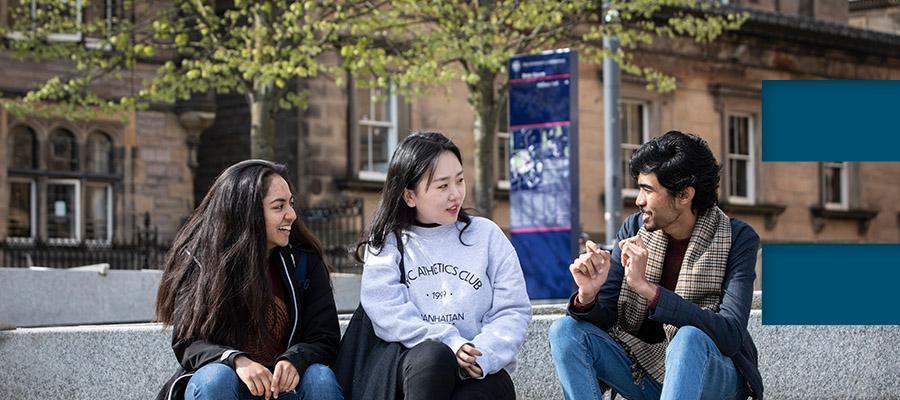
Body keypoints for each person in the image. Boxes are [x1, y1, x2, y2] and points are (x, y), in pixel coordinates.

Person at [548, 131, 763, 400]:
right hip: (645, 371)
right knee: (565, 331)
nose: (639, 200)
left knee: (687, 339)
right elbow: (606, 319)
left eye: (648, 190)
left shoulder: (738, 238)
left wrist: (649, 290)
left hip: (717, 379)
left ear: (684, 195)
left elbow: (730, 334)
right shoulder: (634, 229)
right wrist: (589, 295)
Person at [349, 131, 532, 400]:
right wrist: (450, 342)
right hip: (413, 373)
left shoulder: (487, 236)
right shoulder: (388, 242)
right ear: (410, 196)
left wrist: (480, 354)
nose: (455, 194)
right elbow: (386, 311)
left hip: (480, 371)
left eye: (459, 180)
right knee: (434, 358)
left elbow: (512, 310)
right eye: (442, 186)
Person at [155, 160, 343, 400]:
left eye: (291, 204)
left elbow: (325, 337)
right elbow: (188, 342)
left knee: (319, 378)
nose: (292, 215)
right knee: (216, 379)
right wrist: (236, 361)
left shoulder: (304, 262)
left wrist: (295, 359)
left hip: (282, 391)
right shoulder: (202, 263)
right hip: (228, 387)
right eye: (279, 206)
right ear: (247, 212)